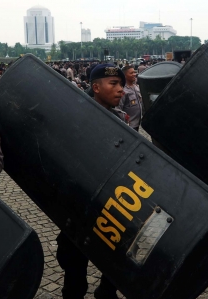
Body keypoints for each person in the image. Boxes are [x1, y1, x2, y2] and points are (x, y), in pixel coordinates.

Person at [56, 64, 127, 299]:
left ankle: (107, 292)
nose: (121, 90)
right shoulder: (75, 118)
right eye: (114, 84)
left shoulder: (121, 120)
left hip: (112, 204)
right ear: (96, 87)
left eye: (121, 85)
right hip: (79, 204)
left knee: (117, 256)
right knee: (74, 265)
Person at [118, 66, 143, 131]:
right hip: (128, 126)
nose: (134, 74)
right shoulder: (123, 90)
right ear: (125, 76)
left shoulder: (136, 87)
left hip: (137, 123)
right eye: (131, 73)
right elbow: (118, 109)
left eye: (134, 72)